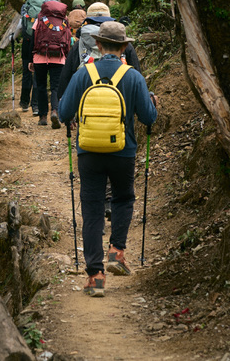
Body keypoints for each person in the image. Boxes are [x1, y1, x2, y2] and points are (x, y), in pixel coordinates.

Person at [57, 21, 157, 297]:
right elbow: (148, 118)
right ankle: (116, 252)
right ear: (124, 47)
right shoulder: (133, 76)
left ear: (99, 45)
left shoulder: (83, 73)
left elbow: (64, 113)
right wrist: (152, 102)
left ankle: (96, 277)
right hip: (123, 152)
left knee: (91, 209)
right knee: (123, 198)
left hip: (89, 152)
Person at [58, 3, 143, 96]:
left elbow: (65, 79)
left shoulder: (79, 45)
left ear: (88, 22)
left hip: (86, 105)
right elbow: (137, 73)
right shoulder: (123, 44)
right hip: (120, 104)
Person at [29, 0, 69, 128]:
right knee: (56, 87)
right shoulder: (64, 20)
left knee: (41, 86)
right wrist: (66, 56)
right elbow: (68, 39)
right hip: (59, 57)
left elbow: (33, 38)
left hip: (40, 57)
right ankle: (55, 111)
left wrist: (31, 59)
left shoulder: (40, 18)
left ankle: (42, 116)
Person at [18, 0, 47, 114]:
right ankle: (35, 106)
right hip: (42, 42)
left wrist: (13, 38)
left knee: (26, 72)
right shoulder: (48, 5)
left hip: (28, 41)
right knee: (39, 73)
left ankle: (24, 103)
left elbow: (21, 24)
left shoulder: (26, 5)